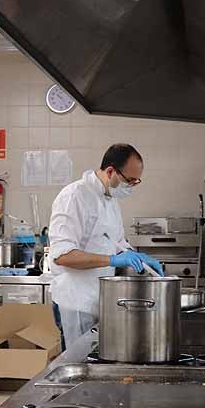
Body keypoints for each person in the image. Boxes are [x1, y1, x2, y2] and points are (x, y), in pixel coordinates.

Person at [49, 144, 164, 348]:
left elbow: (116, 241)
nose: (131, 187)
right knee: (77, 367)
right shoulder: (74, 196)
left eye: (136, 182)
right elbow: (62, 255)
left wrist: (137, 257)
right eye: (129, 180)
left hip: (97, 301)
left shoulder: (109, 200)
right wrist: (112, 260)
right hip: (75, 303)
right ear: (110, 171)